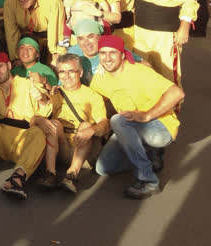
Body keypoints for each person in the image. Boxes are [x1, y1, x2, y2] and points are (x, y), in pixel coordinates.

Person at [91, 35, 184, 199]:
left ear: (122, 54)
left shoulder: (139, 72)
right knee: (102, 168)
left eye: (112, 53)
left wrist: (147, 115)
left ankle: (148, 180)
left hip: (160, 127)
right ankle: (147, 152)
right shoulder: (100, 77)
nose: (107, 58)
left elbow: (177, 93)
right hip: (130, 125)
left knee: (118, 121)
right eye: (103, 53)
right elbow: (92, 100)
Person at [0, 52, 53, 200]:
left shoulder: (26, 83)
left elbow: (46, 108)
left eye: (0, 66)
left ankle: (16, 179)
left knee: (39, 133)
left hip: (23, 141)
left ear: (8, 65)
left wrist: (42, 99)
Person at [42, 54, 109, 193]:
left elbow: (104, 125)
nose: (66, 76)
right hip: (61, 146)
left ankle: (72, 175)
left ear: (81, 72)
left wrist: (91, 130)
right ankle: (50, 173)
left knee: (85, 125)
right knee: (53, 123)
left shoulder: (92, 95)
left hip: (84, 148)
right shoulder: (55, 94)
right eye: (62, 72)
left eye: (71, 71)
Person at [4, 0, 66, 65]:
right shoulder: (9, 3)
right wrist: (15, 57)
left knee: (52, 64)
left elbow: (57, 30)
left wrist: (56, 53)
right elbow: (11, 33)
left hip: (48, 36)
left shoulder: (52, 0)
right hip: (26, 36)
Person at [67, 19, 142, 86]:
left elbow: (145, 65)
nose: (86, 43)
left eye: (91, 36)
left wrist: (115, 65)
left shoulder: (112, 48)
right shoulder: (73, 53)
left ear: (99, 37)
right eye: (81, 39)